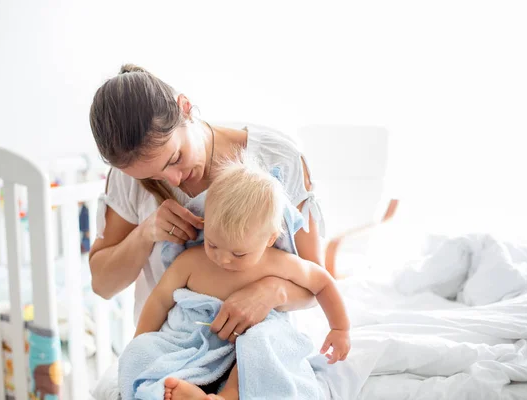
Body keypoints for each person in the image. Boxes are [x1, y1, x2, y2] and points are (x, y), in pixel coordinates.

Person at [88, 63, 326, 341]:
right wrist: (145, 233)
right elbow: (103, 286)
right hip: (170, 343)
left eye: (175, 159)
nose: (173, 180)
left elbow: (317, 283)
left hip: (262, 339)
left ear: (185, 107)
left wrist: (272, 292)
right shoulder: (126, 177)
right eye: (152, 177)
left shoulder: (277, 159)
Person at [129, 161, 350, 400]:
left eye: (238, 253)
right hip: (195, 345)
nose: (223, 259)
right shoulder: (190, 262)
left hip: (248, 347)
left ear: (269, 239)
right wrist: (141, 340)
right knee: (142, 352)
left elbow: (323, 282)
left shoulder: (277, 263)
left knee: (262, 341)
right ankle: (186, 389)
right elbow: (160, 300)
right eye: (212, 243)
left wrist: (340, 328)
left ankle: (230, 394)